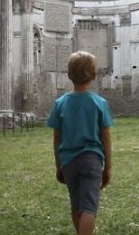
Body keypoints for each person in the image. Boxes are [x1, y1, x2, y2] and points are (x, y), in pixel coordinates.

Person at [47, 51, 113, 235]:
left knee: (76, 205)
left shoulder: (60, 103)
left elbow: (56, 139)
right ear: (94, 75)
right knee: (89, 207)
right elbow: (106, 138)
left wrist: (59, 165)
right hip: (91, 160)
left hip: (68, 161)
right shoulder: (99, 103)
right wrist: (108, 167)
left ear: (68, 75)